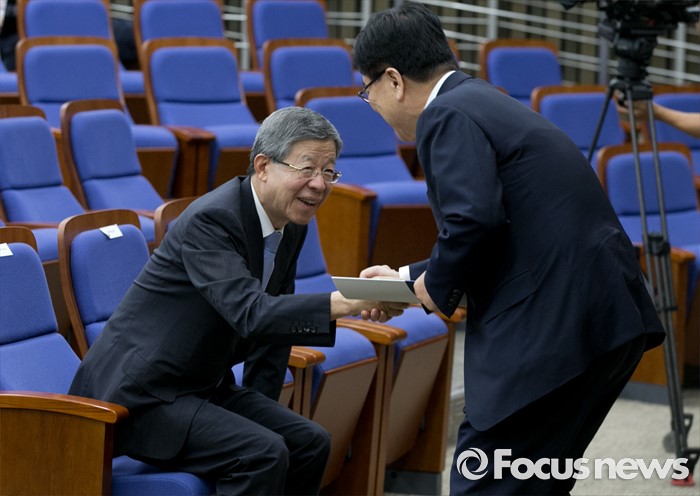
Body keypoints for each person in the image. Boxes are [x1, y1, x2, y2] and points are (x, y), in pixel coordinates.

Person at [354, 3, 665, 494]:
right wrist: (406, 279)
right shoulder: (482, 99)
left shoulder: (444, 114)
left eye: (366, 90)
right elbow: (503, 230)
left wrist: (431, 288)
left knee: (484, 481)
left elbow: (474, 219)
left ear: (393, 80)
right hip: (600, 316)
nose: (369, 104)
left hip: (554, 327)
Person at [69, 106, 407, 495]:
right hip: (143, 397)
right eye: (307, 168)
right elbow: (252, 314)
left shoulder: (290, 224)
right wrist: (346, 302)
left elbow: (273, 334)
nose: (319, 184)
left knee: (309, 442)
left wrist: (260, 415)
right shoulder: (212, 220)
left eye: (329, 171)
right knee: (261, 453)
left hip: (202, 387)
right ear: (263, 166)